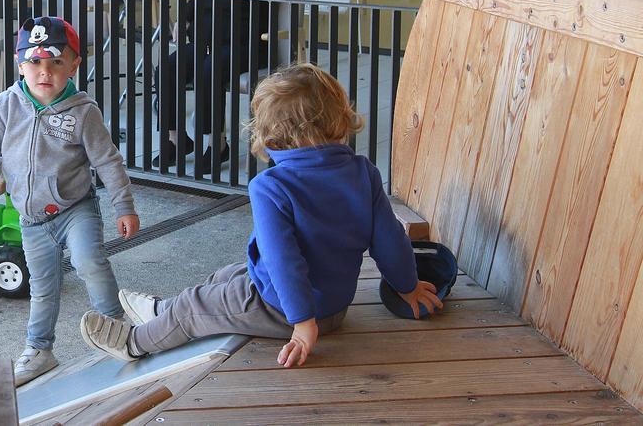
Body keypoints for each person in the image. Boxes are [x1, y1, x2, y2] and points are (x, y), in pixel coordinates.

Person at [81, 64, 442, 368]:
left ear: (271, 134)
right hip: (335, 307)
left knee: (194, 309)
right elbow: (390, 240)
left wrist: (303, 323)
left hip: (284, 310)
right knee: (228, 275)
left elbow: (283, 260)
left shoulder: (271, 186)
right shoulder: (363, 172)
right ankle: (162, 310)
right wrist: (407, 286)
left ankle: (135, 343)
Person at [0, 16, 140, 386]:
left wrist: (123, 206)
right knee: (42, 286)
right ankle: (39, 350)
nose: (44, 72)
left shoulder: (83, 111)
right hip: (30, 219)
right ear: (20, 64)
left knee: (89, 261)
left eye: (56, 63)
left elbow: (108, 160)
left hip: (75, 209)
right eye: (34, 63)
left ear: (75, 65)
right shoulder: (6, 105)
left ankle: (118, 333)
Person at [154, 0, 274, 173]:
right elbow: (196, 0)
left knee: (209, 70)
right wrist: (182, 20)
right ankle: (175, 140)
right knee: (168, 68)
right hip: (205, 44)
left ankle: (216, 144)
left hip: (243, 46)